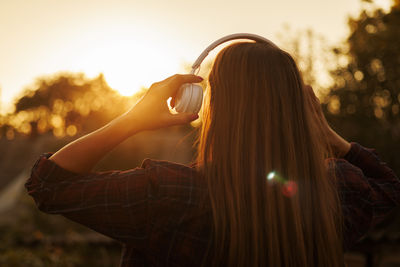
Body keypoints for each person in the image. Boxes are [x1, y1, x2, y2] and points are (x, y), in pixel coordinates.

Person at [25, 41, 399, 267]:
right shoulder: (334, 193)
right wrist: (332, 138)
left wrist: (132, 120)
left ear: (212, 104)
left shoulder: (168, 195)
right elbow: (388, 186)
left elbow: (48, 184)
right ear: (301, 110)